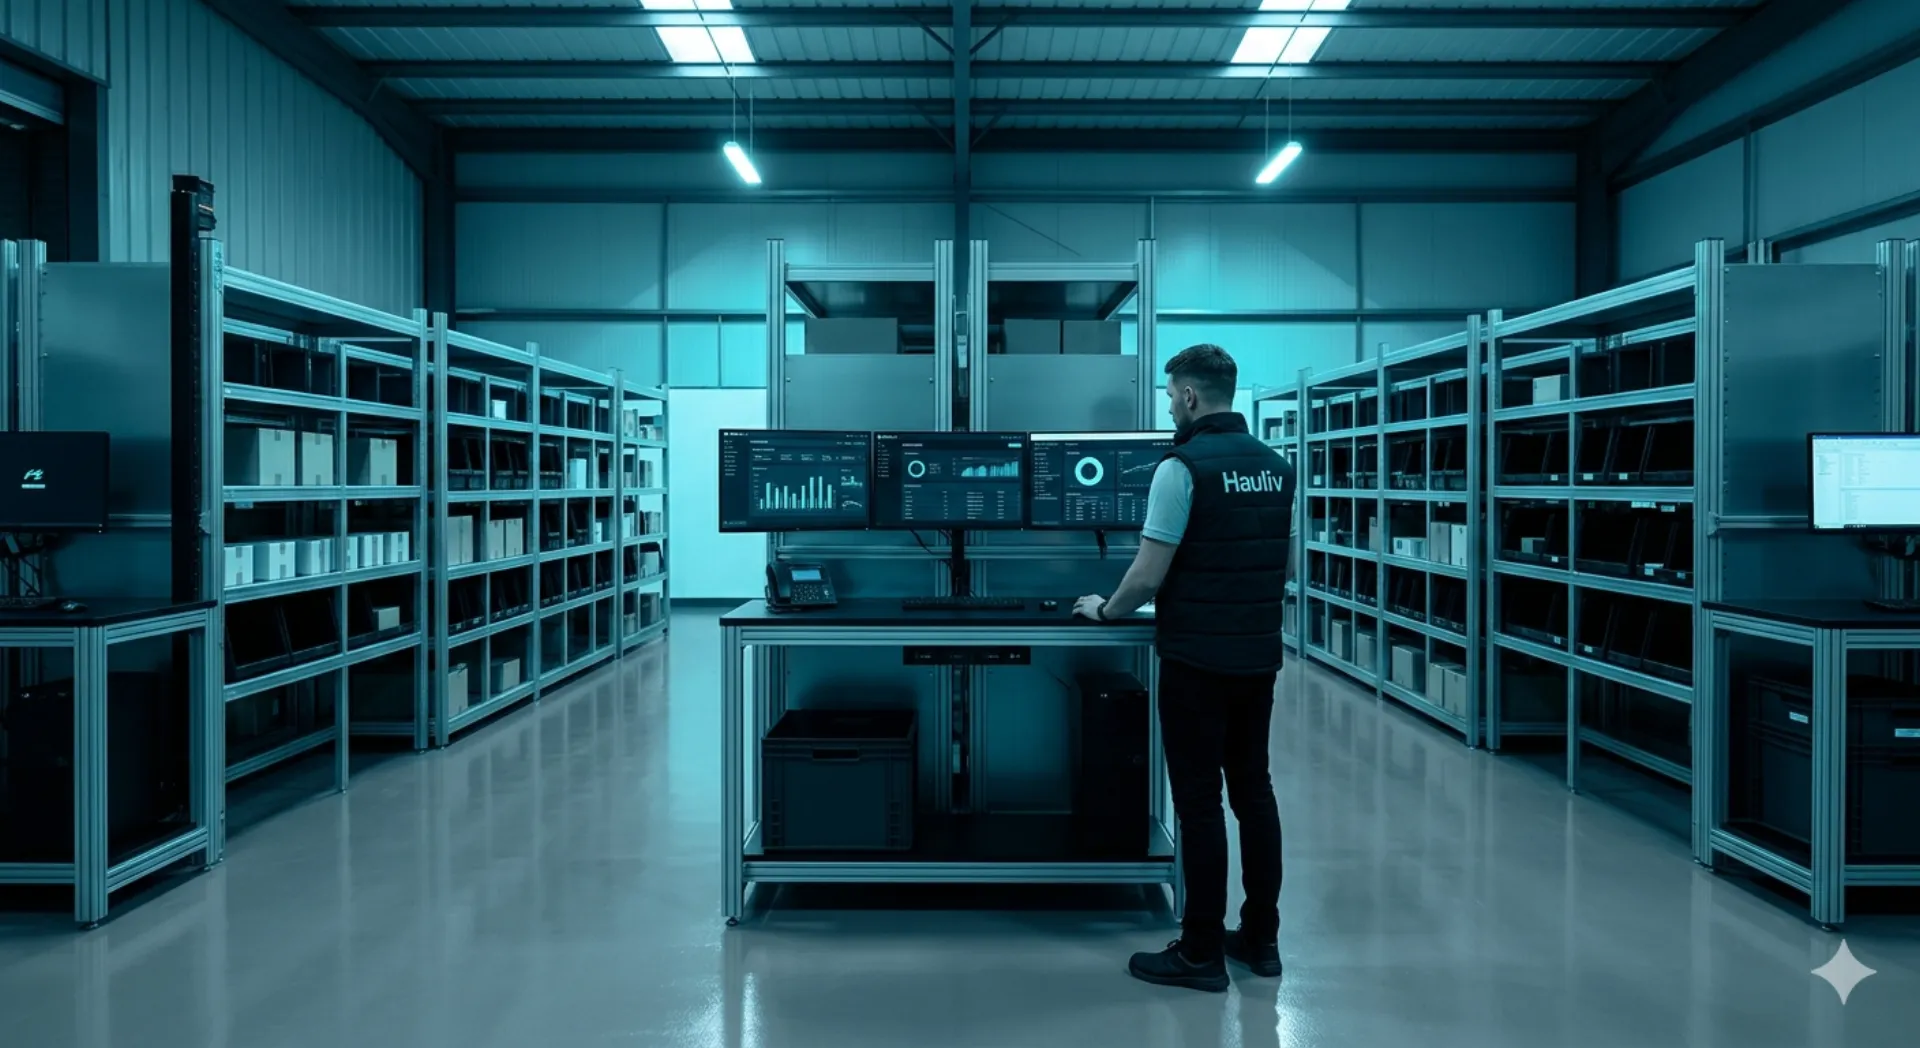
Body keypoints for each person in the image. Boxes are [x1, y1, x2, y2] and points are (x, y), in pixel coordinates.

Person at [1072, 343, 1295, 993]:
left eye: (1171, 395)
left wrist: (1106, 612)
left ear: (1192, 397)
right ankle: (1261, 939)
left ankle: (1200, 951)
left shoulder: (1182, 468)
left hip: (1197, 659)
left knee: (1199, 803)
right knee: (1254, 792)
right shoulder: (1276, 468)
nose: (1170, 404)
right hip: (1258, 657)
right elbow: (1285, 570)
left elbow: (1146, 574)